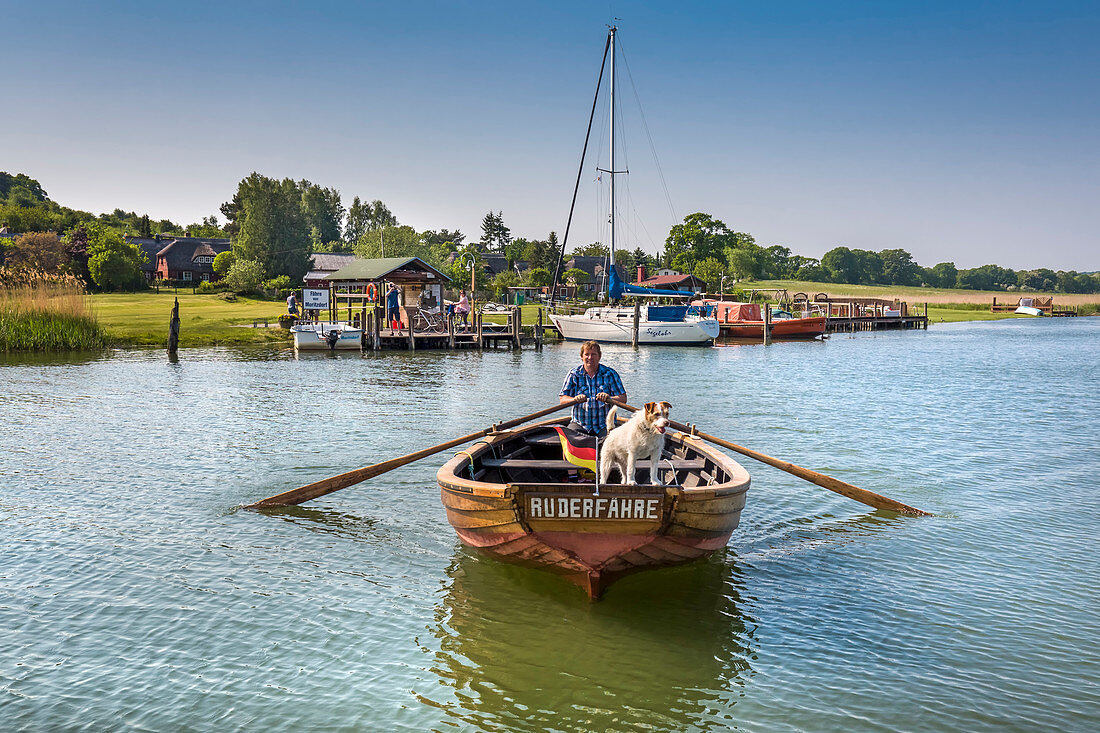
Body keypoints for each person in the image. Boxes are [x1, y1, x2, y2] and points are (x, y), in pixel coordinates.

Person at [559, 340, 627, 437]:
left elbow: (623, 399)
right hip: (580, 424)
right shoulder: (574, 374)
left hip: (604, 425)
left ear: (599, 356)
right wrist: (574, 399)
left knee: (613, 442)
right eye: (587, 354)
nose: (590, 358)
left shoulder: (610, 374)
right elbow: (562, 399)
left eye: (593, 354)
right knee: (569, 440)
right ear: (581, 357)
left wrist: (609, 399)